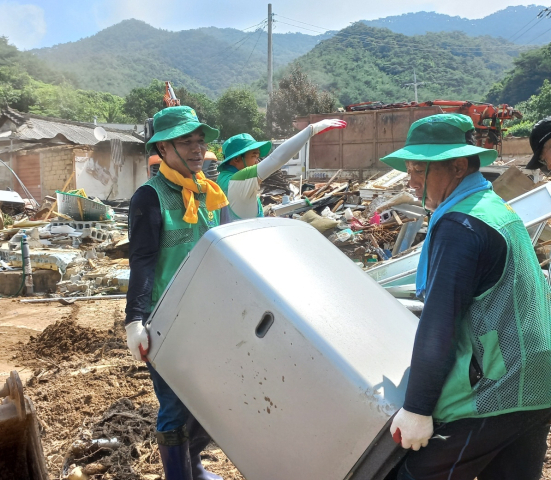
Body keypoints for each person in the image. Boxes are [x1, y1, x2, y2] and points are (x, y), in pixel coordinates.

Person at [378, 114, 551, 480]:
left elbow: (439, 321)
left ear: (457, 167)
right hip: (536, 377)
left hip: (497, 387)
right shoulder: (493, 207)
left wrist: (418, 408)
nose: (410, 180)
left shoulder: (460, 224)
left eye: (418, 169)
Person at [124, 106, 228, 480]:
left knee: (210, 397)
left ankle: (194, 464)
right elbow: (143, 261)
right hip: (165, 319)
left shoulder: (210, 194)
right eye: (186, 141)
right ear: (164, 149)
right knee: (174, 403)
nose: (198, 149)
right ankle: (178, 476)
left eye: (200, 140)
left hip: (209, 315)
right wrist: (135, 320)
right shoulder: (149, 198)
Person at [216, 118, 346, 221]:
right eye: (253, 156)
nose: (257, 161)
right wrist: (311, 130)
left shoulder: (222, 178)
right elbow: (276, 159)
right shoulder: (239, 180)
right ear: (236, 159)